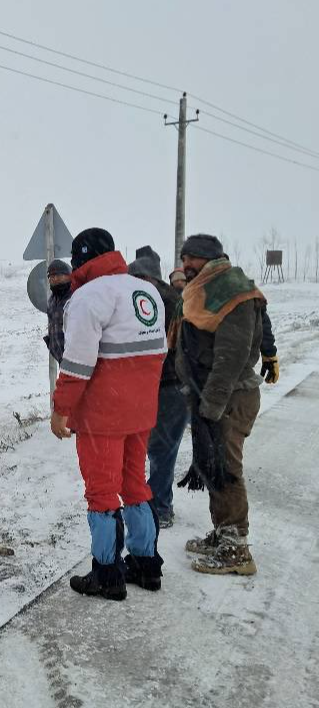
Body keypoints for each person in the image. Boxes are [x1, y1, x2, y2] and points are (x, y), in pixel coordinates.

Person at [51, 229, 167, 600]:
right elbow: (157, 353)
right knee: (135, 484)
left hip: (102, 415)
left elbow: (77, 364)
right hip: (140, 410)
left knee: (101, 492)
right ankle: (146, 564)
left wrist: (61, 409)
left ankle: (106, 574)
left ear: (80, 260)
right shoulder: (144, 291)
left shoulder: (88, 297)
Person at [174, 234, 265, 575]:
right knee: (214, 467)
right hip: (214, 397)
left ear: (210, 259)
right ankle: (223, 532)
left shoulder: (233, 293)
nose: (186, 266)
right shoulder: (209, 291)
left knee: (226, 470)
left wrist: (210, 404)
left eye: (191, 259)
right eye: (183, 260)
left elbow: (231, 356)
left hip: (229, 397)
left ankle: (237, 550)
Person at [127, 246, 185, 529]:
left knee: (159, 448)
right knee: (160, 448)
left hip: (168, 384)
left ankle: (161, 508)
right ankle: (159, 503)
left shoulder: (155, 300)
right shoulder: (170, 297)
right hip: (170, 385)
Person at [43, 260, 72, 363]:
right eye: (51, 277)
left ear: (68, 276)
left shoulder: (75, 297)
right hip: (62, 361)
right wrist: (51, 344)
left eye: (58, 275)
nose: (54, 279)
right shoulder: (51, 301)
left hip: (78, 360)